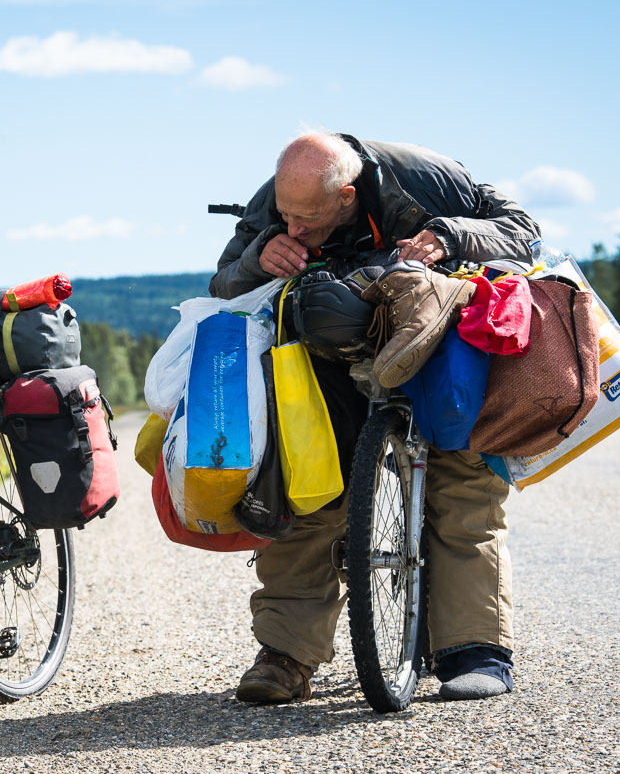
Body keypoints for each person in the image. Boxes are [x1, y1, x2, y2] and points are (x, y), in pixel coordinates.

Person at [211, 131, 539, 703]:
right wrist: (257, 260)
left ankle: (474, 650)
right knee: (306, 484)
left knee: (462, 485)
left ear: (347, 194)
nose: (293, 228)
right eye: (285, 215)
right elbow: (222, 282)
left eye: (306, 218)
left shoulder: (427, 178)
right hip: (326, 343)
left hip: (441, 338)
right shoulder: (283, 197)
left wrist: (447, 234)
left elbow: (525, 232)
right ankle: (287, 656)